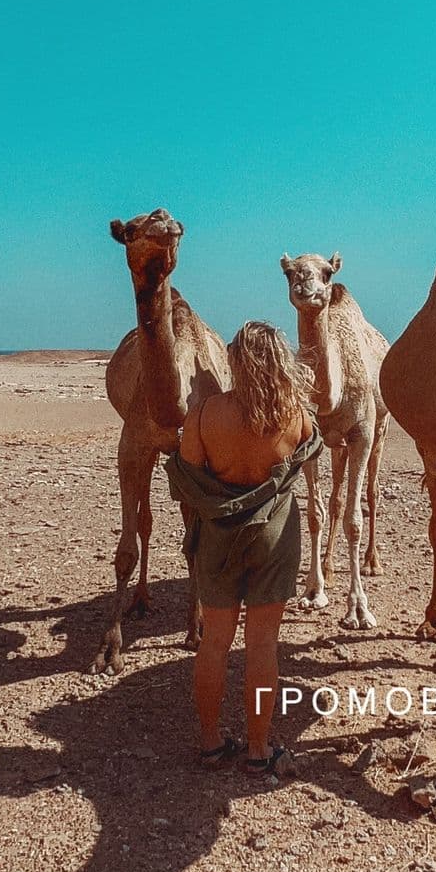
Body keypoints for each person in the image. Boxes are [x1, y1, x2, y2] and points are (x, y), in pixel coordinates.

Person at [165, 321, 322, 778]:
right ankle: (258, 749)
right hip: (275, 535)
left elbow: (187, 479)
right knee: (262, 645)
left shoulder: (206, 414)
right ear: (279, 361)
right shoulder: (294, 413)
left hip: (218, 537)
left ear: (235, 361)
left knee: (214, 642)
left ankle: (212, 744)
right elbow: (310, 450)